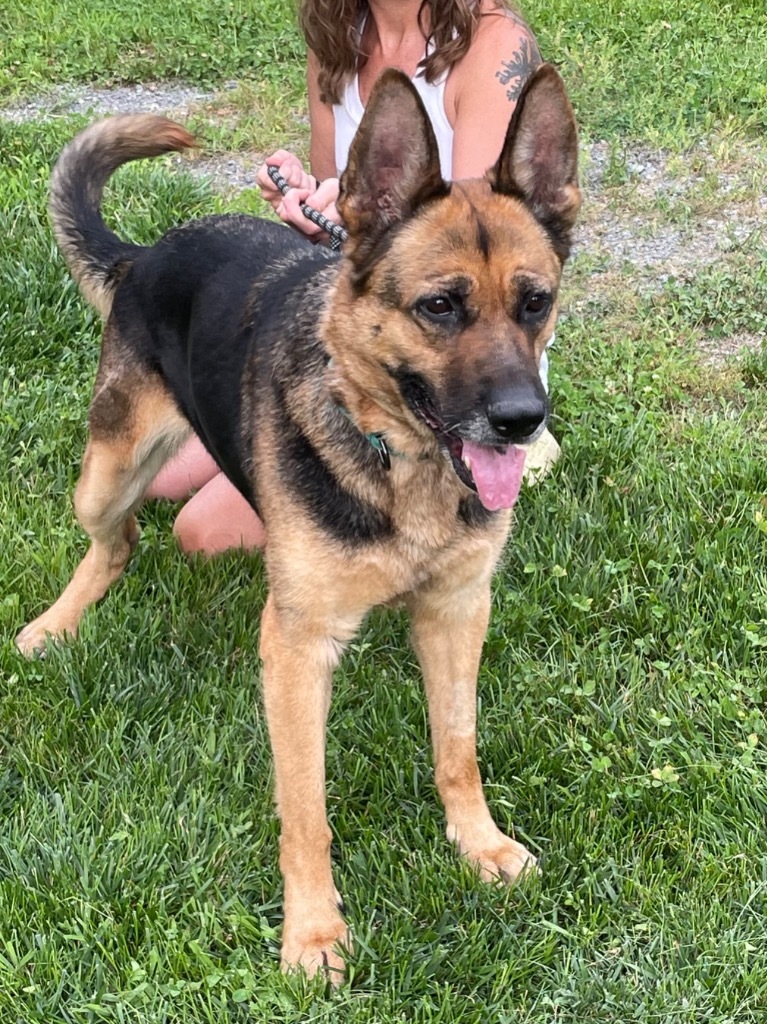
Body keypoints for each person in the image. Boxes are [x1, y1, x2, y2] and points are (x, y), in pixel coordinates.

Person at [148, 0, 559, 555]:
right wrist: (313, 209)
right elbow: (350, 227)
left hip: (468, 353)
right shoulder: (338, 40)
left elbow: (475, 254)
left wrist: (364, 221)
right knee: (158, 477)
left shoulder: (493, 45)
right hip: (368, 336)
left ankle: (513, 441)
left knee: (204, 534)